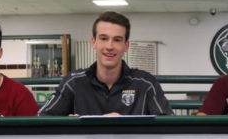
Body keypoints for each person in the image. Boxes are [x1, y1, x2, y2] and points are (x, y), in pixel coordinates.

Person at [38, 12, 172, 116]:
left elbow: (169, 124)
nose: (109, 46)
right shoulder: (73, 83)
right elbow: (42, 119)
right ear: (93, 42)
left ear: (126, 46)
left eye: (117, 40)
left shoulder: (146, 84)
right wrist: (71, 126)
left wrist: (125, 125)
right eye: (103, 38)